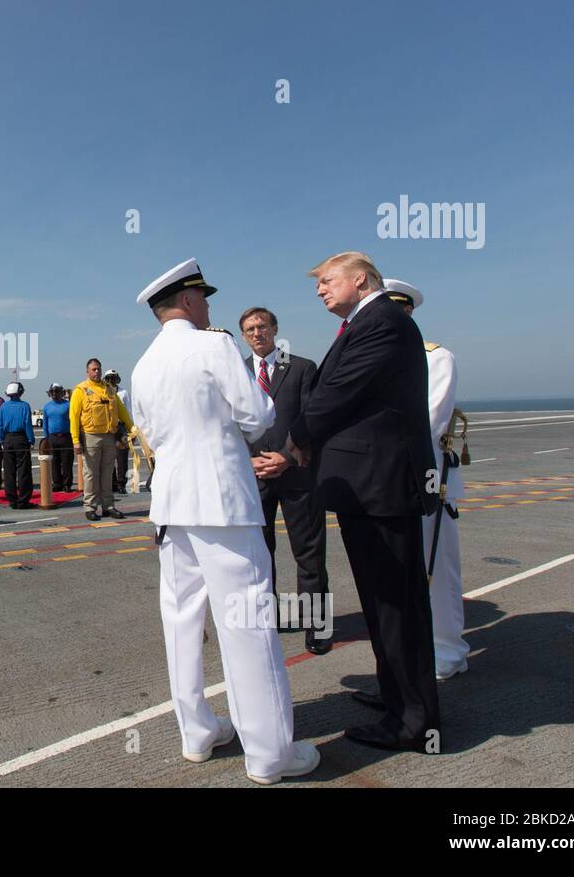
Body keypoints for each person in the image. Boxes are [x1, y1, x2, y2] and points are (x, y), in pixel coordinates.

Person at [131, 257, 319, 784]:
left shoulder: (143, 365)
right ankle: (270, 755)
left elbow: (149, 431)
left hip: (172, 507)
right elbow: (257, 416)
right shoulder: (213, 345)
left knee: (182, 620)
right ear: (189, 302)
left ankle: (197, 732)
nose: (209, 305)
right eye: (204, 297)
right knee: (247, 624)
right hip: (222, 503)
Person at [281, 251, 439, 752]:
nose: (321, 290)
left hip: (382, 487)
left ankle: (415, 722)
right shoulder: (365, 323)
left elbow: (340, 391)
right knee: (380, 602)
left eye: (327, 281)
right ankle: (398, 698)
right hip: (367, 486)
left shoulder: (383, 322)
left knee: (397, 605)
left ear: (361, 279)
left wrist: (295, 440)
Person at [384, 278, 470, 681]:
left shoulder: (436, 358)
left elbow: (427, 421)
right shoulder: (370, 356)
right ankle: (408, 653)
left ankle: (449, 650)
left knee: (435, 567)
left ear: (407, 313)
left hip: (423, 478)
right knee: (396, 572)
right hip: (381, 480)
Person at [240, 306, 331, 656]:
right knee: (259, 556)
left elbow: (311, 419)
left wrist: (287, 456)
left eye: (262, 326)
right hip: (254, 475)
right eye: (249, 329)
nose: (257, 333)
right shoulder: (239, 372)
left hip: (296, 472)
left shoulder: (303, 368)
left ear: (275, 329)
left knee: (309, 553)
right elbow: (231, 424)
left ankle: (318, 627)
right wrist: (247, 460)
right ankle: (267, 620)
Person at [70, 358, 133, 521]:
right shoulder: (81, 390)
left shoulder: (109, 389)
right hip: (90, 436)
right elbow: (74, 417)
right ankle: (90, 507)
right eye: (93, 369)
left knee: (107, 473)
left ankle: (108, 506)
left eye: (98, 369)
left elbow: (122, 411)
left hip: (109, 436)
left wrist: (132, 428)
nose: (96, 372)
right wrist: (76, 440)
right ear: (87, 371)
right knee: (90, 473)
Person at [0, 381, 35, 508]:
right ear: (20, 392)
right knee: (23, 470)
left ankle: (12, 499)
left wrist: (2, 440)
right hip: (21, 438)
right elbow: (27, 424)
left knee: (9, 471)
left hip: (8, 439)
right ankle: (23, 500)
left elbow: (1, 425)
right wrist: (31, 440)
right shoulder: (25, 406)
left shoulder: (3, 407)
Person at [42, 383, 73, 492]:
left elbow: (73, 421)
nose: (55, 393)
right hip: (52, 438)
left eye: (57, 391)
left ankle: (67, 484)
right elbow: (45, 423)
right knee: (54, 462)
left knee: (67, 462)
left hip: (66, 437)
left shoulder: (69, 405)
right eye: (52, 392)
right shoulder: (46, 407)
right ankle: (57, 483)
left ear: (62, 392)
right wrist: (46, 438)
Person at [105, 369, 131, 494]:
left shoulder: (124, 393)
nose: (110, 380)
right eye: (108, 378)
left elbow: (129, 410)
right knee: (109, 457)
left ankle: (121, 483)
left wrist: (131, 429)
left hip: (121, 428)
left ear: (117, 378)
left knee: (122, 457)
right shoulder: (103, 392)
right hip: (109, 428)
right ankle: (112, 483)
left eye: (112, 377)